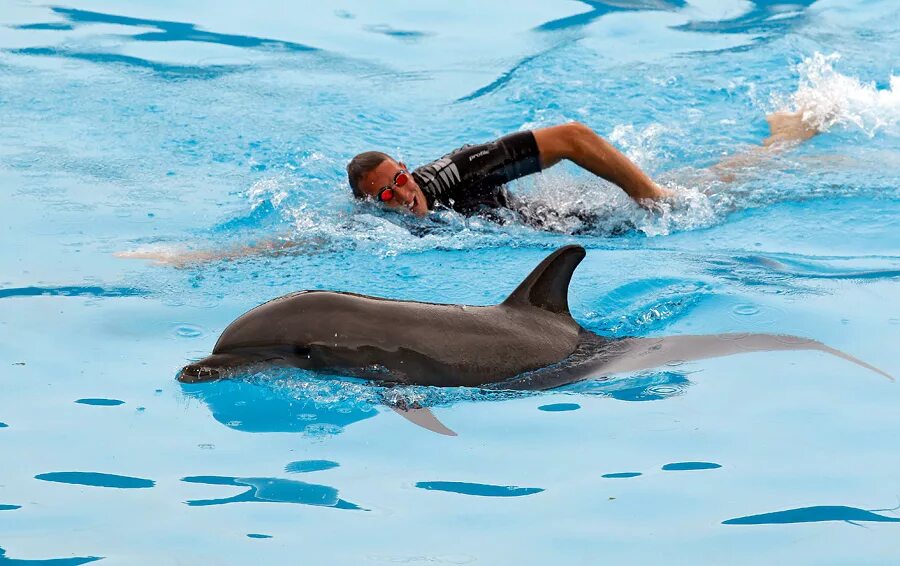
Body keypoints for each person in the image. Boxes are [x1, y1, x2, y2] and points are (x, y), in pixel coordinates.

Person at [346, 122, 671, 220]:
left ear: (405, 169)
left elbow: (573, 137)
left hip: (555, 224)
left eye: (400, 180)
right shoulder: (377, 227)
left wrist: (647, 195)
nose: (403, 195)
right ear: (371, 203)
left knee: (672, 201)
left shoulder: (458, 171)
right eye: (386, 194)